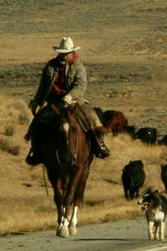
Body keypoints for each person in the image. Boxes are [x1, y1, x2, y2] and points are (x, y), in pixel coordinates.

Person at [24, 37, 109, 165]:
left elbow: (80, 84)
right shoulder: (51, 66)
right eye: (63, 52)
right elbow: (43, 85)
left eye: (67, 52)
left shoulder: (78, 66)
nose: (64, 55)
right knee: (37, 122)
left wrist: (70, 96)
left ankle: (100, 144)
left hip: (75, 100)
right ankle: (35, 151)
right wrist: (37, 101)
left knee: (92, 117)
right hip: (54, 101)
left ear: (72, 52)